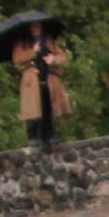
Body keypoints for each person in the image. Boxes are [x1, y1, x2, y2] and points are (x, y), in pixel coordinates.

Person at [14, 20, 69, 150]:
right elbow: (17, 58)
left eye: (38, 26)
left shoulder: (48, 40)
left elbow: (62, 56)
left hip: (48, 76)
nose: (37, 28)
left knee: (48, 107)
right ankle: (32, 136)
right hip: (31, 79)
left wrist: (53, 59)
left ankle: (48, 135)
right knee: (32, 109)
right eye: (33, 26)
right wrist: (33, 51)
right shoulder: (22, 42)